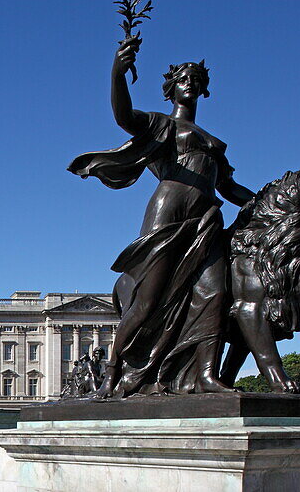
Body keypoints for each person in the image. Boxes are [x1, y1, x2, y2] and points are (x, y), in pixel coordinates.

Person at [70, 37, 255, 397]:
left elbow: (230, 188)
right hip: (168, 213)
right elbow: (124, 116)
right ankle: (112, 374)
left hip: (205, 221)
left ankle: (205, 374)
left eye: (196, 79)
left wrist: (267, 203)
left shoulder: (214, 142)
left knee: (215, 295)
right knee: (146, 303)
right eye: (183, 78)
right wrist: (117, 73)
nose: (190, 83)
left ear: (204, 88)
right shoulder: (161, 125)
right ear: (171, 88)